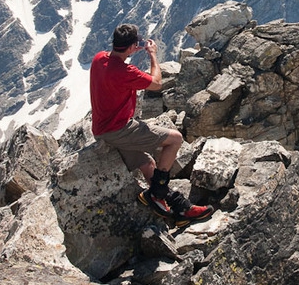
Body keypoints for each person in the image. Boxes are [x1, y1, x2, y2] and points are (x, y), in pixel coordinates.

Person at [90, 24, 213, 225]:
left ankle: (176, 211)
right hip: (119, 129)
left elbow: (113, 62)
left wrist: (129, 49)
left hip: (101, 129)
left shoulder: (98, 59)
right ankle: (164, 197)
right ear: (131, 47)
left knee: (149, 165)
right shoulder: (125, 71)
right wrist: (152, 55)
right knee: (175, 139)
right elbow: (156, 83)